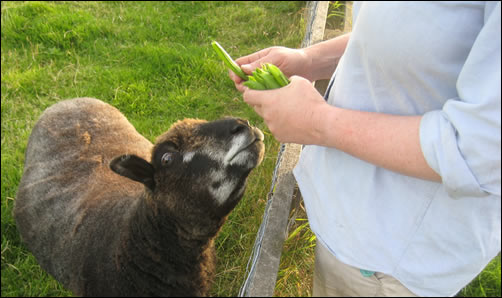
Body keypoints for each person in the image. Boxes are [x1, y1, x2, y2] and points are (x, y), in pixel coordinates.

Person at [229, 1, 501, 297]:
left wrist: (318, 122)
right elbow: (413, 34)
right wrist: (310, 61)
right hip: (354, 228)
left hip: (388, 258)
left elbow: (482, 150)